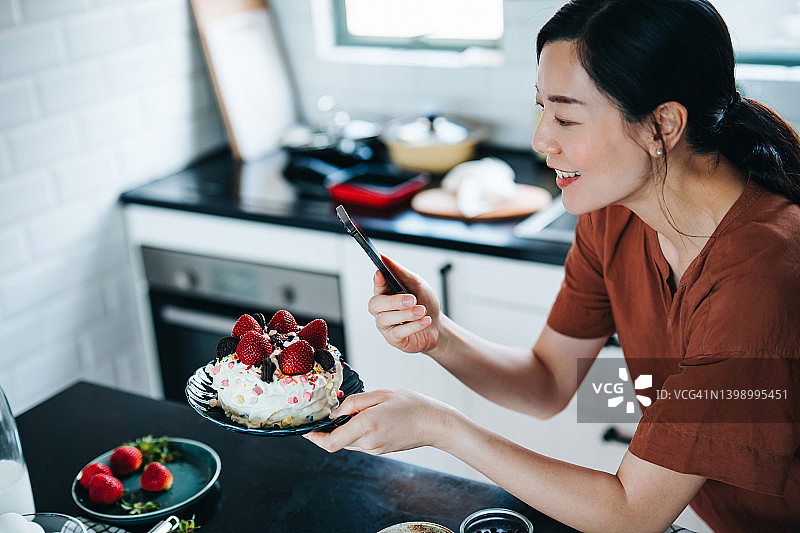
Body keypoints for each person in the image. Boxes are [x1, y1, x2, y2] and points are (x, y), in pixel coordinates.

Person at [305, 0, 800, 531]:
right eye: (543, 111)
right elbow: (548, 381)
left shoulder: (758, 277)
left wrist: (439, 425)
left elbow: (632, 513)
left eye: (565, 117)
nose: (541, 140)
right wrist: (439, 335)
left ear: (664, 125)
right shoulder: (615, 214)